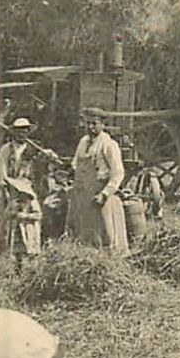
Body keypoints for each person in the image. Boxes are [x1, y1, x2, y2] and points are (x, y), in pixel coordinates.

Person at [69, 107, 128, 255]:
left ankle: (108, 260)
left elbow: (118, 172)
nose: (90, 127)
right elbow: (76, 163)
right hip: (83, 193)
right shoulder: (83, 142)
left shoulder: (109, 145)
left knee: (105, 232)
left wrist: (105, 194)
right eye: (87, 123)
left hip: (100, 194)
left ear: (103, 124)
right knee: (83, 231)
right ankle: (87, 258)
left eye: (94, 124)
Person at [0, 115, 37, 214]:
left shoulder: (32, 149)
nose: (21, 134)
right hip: (10, 187)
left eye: (24, 131)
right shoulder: (6, 149)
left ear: (28, 132)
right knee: (10, 220)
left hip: (27, 188)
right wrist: (4, 187)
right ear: (14, 132)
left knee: (27, 218)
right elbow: (2, 170)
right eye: (18, 131)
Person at [0, 175, 43, 268]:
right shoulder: (14, 202)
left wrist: (25, 216)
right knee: (16, 249)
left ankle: (31, 267)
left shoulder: (31, 202)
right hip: (16, 229)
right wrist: (10, 215)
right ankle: (18, 267)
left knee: (29, 249)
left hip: (28, 229)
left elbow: (38, 215)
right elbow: (6, 214)